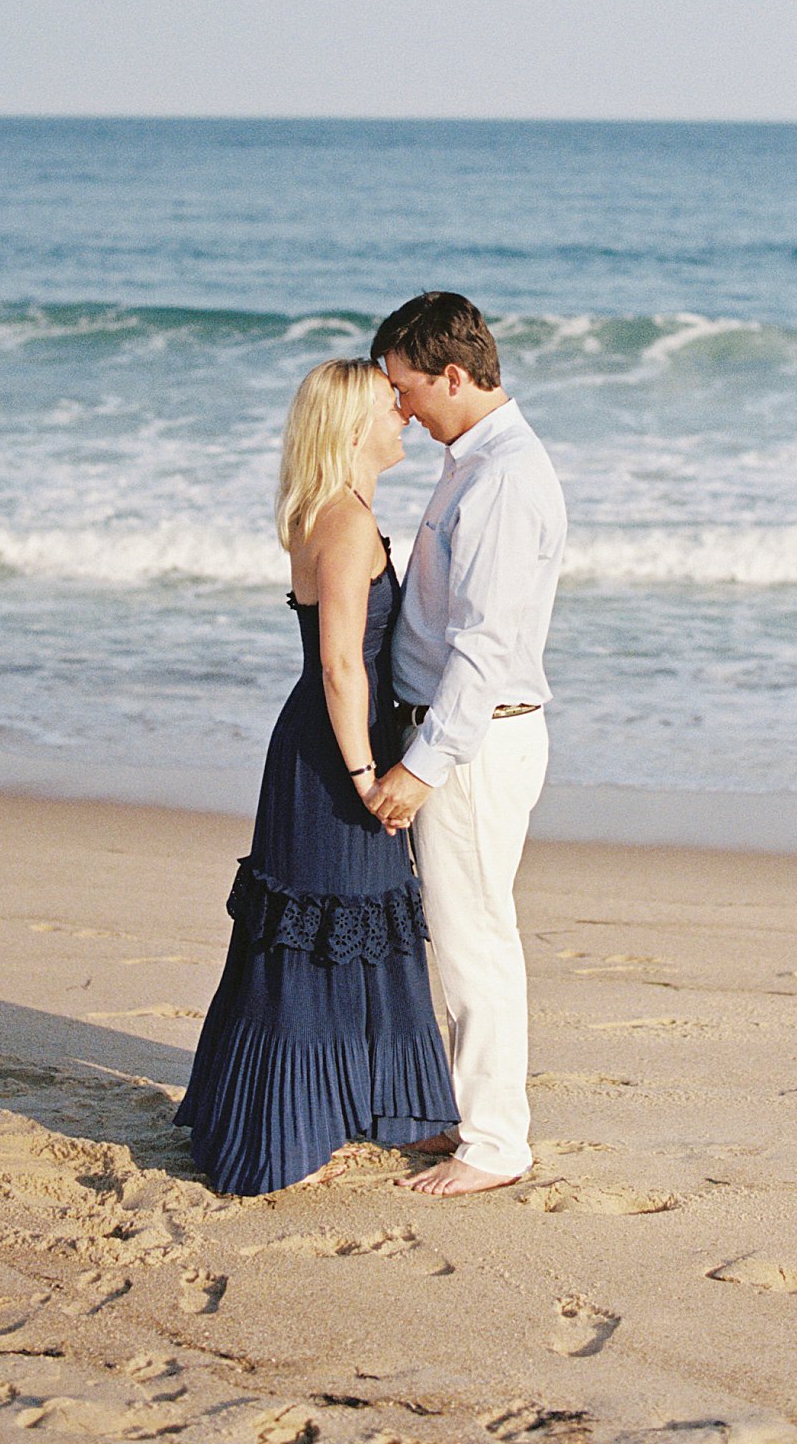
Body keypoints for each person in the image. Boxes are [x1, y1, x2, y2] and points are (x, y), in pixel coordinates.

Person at [173, 359, 458, 1194]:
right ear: (349, 427)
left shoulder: (341, 513)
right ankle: (282, 1125)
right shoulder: (341, 523)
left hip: (334, 742)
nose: (402, 413)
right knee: (324, 926)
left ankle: (380, 1105)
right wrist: (369, 775)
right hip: (335, 752)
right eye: (386, 404)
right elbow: (339, 666)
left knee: (359, 922)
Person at [365, 294, 567, 1196]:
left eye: (406, 389)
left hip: (477, 744)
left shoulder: (500, 479)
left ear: (453, 374)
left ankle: (495, 1144)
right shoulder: (473, 461)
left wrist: (421, 763)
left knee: (474, 936)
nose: (399, 407)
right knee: (457, 933)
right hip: (463, 734)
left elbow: (483, 645)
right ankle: (464, 1115)